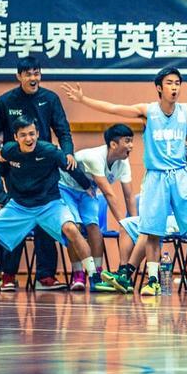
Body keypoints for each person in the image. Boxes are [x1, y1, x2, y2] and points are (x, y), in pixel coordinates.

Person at [62, 68, 187, 296]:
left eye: (177, 83)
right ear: (159, 87)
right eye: (169, 83)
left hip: (180, 175)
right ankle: (153, 280)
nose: (174, 87)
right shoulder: (148, 112)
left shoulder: (185, 110)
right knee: (152, 230)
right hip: (156, 176)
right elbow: (114, 108)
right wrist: (83, 100)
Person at [0, 116, 97, 291]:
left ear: (38, 134)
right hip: (19, 207)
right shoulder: (8, 151)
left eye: (32, 134)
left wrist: (86, 186)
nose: (29, 138)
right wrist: (11, 192)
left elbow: (71, 169)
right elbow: (2, 169)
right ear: (15, 137)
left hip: (50, 204)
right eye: (23, 135)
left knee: (72, 229)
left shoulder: (50, 151)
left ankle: (94, 276)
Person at [0, 56, 74, 290]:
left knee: (46, 215)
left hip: (45, 168)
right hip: (16, 169)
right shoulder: (5, 101)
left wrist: (68, 154)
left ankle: (45, 276)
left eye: (37, 73)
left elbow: (64, 132)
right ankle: (8, 274)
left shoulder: (50, 99)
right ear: (19, 76)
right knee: (15, 218)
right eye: (28, 74)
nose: (33, 78)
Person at [104, 124, 187, 295]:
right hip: (167, 215)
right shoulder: (166, 165)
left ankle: (127, 275)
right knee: (126, 224)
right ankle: (123, 271)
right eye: (184, 140)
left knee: (149, 228)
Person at [59, 124, 137, 292]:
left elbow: (129, 196)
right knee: (75, 227)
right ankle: (78, 274)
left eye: (132, 141)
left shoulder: (124, 163)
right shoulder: (95, 157)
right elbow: (109, 194)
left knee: (94, 227)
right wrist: (124, 223)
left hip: (88, 191)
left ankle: (98, 273)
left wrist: (134, 223)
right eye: (127, 141)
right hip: (66, 188)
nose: (131, 145)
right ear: (113, 144)